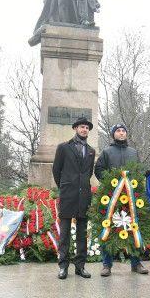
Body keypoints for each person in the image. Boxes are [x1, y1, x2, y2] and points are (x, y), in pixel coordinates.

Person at [94, 124, 148, 276]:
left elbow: (139, 170)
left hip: (131, 196)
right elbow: (98, 170)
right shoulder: (107, 152)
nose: (121, 132)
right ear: (113, 134)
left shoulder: (133, 152)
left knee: (134, 227)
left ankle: (136, 263)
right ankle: (107, 265)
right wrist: (110, 182)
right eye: (118, 131)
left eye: (123, 130)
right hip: (112, 196)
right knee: (108, 228)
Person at [51, 117, 96, 279]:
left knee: (82, 233)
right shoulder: (63, 148)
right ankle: (63, 266)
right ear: (75, 128)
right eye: (82, 127)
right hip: (68, 195)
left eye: (87, 128)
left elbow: (88, 173)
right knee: (64, 234)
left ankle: (80, 266)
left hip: (84, 196)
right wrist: (65, 186)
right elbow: (57, 171)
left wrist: (81, 186)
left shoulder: (91, 150)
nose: (85, 130)